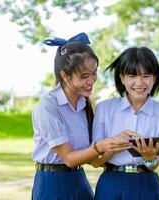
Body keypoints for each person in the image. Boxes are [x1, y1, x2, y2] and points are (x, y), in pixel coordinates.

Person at [31, 32, 135, 200]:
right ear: (64, 76)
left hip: (79, 180)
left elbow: (93, 161)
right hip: (52, 184)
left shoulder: (84, 104)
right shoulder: (48, 106)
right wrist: (101, 146)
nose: (91, 80)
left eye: (94, 73)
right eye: (84, 76)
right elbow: (70, 159)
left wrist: (114, 145)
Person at [91, 47, 159, 200]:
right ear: (122, 78)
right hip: (111, 183)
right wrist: (112, 148)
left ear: (155, 78)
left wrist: (149, 158)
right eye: (132, 76)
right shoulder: (104, 109)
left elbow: (155, 164)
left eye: (146, 75)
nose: (139, 82)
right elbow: (96, 161)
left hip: (147, 184)